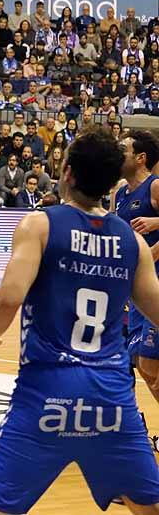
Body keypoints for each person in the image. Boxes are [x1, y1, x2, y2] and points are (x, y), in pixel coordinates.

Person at [0, 127, 159, 514]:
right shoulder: (132, 242)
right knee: (149, 507)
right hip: (111, 398)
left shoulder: (40, 224)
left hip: (46, 393)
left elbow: (9, 296)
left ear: (68, 172)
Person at [112, 130, 159, 431]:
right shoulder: (119, 191)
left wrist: (151, 251)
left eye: (124, 149)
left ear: (140, 158)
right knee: (146, 369)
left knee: (150, 363)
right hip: (135, 292)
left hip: (156, 287)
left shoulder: (156, 187)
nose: (119, 154)